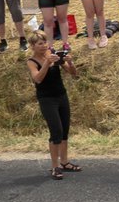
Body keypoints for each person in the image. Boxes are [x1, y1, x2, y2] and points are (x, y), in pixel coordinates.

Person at [27, 31, 81, 179]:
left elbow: (73, 73)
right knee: (55, 131)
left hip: (61, 95)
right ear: (32, 46)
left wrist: (69, 61)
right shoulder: (32, 61)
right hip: (47, 99)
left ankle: (64, 162)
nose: (44, 46)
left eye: (44, 42)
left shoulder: (52, 53)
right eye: (39, 43)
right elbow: (38, 79)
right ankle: (54, 166)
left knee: (64, 131)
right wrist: (47, 62)